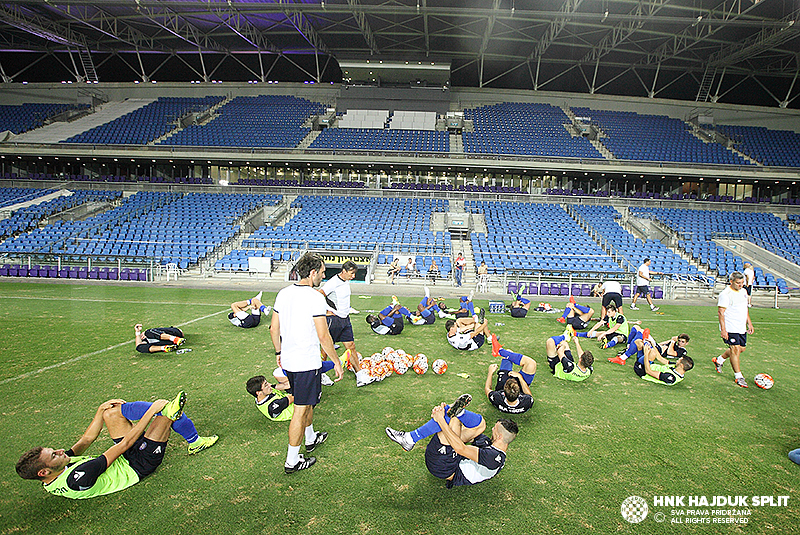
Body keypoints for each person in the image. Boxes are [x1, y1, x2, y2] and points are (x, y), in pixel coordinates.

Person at [16, 391, 197, 499]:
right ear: (44, 472)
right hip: (138, 465)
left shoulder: (56, 470)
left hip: (124, 457)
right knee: (164, 413)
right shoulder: (79, 477)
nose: (60, 451)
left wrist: (100, 410)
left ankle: (184, 432)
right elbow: (124, 445)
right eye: (54, 455)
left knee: (110, 414)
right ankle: (195, 442)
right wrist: (151, 411)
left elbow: (86, 440)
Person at [271, 253, 343, 474]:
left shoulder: (283, 293)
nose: (323, 275)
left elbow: (274, 328)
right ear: (312, 273)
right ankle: (292, 460)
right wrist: (336, 361)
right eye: (321, 272)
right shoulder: (315, 297)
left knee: (306, 403)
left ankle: (310, 438)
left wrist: (279, 352)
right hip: (306, 363)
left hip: (290, 361)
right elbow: (323, 336)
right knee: (300, 410)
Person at [385, 394, 518, 488]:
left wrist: (441, 420)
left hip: (444, 468)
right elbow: (473, 430)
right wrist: (448, 412)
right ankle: (458, 412)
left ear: (500, 436)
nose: (492, 429)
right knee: (481, 424)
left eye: (495, 429)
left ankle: (410, 438)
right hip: (454, 459)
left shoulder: (493, 458)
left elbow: (461, 448)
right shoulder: (493, 447)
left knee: (452, 422)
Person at [320, 261, 362, 382]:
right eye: (351, 273)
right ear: (344, 271)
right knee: (326, 348)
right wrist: (326, 310)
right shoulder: (333, 282)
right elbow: (320, 294)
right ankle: (321, 374)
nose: (353, 276)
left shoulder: (346, 281)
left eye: (354, 273)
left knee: (351, 346)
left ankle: (360, 375)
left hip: (345, 319)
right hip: (334, 319)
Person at [713, 271, 755, 388]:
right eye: (738, 283)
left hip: (741, 327)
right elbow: (721, 313)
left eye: (742, 283)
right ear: (731, 282)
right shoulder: (725, 294)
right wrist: (723, 330)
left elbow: (744, 309)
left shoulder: (743, 292)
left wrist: (749, 323)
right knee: (735, 350)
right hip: (731, 327)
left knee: (741, 349)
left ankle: (719, 360)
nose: (740, 285)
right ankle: (739, 377)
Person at [484, 335, 535, 414]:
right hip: (521, 385)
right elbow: (529, 394)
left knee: (509, 353)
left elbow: (487, 389)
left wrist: (490, 372)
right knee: (531, 364)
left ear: (504, 393)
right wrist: (520, 377)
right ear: (519, 394)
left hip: (504, 385)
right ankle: (501, 351)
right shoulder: (526, 402)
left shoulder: (497, 398)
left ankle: (500, 351)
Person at [608, 327, 689, 366]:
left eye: (682, 342)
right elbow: (662, 344)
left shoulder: (682, 351)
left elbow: (670, 352)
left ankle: (623, 357)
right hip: (656, 346)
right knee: (636, 328)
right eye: (679, 341)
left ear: (686, 343)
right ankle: (629, 347)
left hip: (656, 351)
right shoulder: (674, 343)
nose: (679, 343)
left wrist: (672, 342)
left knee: (641, 334)